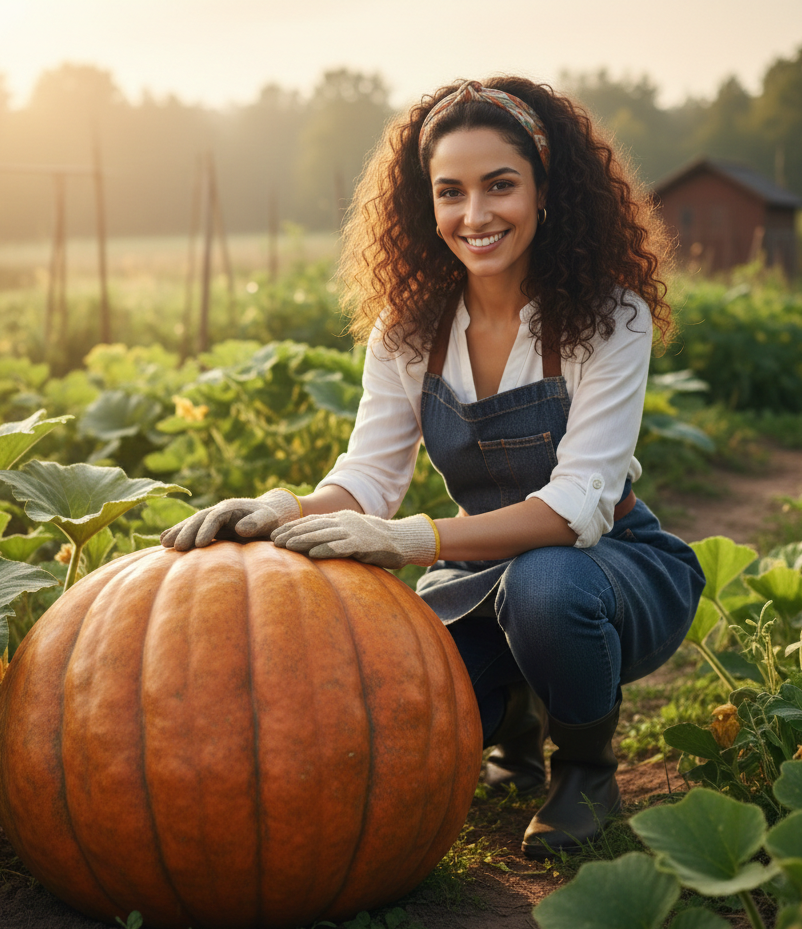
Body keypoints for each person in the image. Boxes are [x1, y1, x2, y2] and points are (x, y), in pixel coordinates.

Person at [161, 77, 705, 860]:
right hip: (479, 578)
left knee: (545, 583)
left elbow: (576, 506)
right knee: (405, 705)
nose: (474, 216)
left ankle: (584, 768)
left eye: (499, 186)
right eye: (450, 192)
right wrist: (283, 506)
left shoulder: (608, 315)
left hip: (606, 566)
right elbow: (367, 477)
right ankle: (513, 718)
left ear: (546, 189)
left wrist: (406, 539)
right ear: (427, 204)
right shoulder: (409, 329)